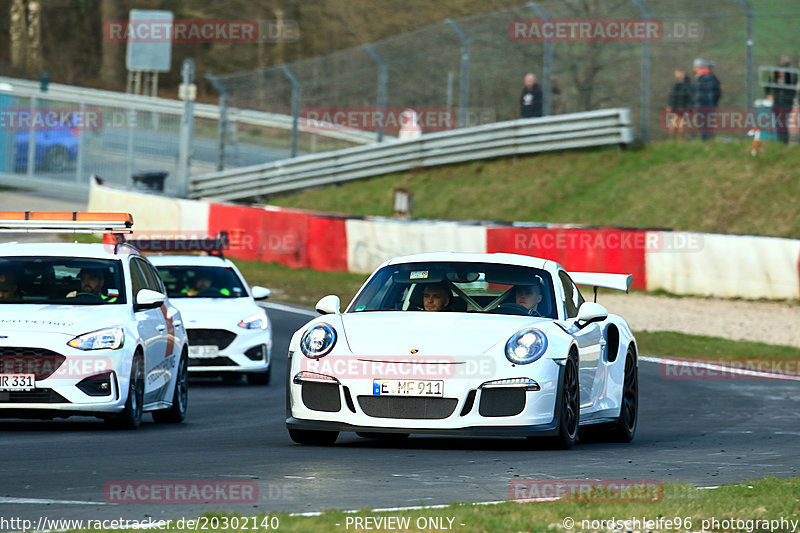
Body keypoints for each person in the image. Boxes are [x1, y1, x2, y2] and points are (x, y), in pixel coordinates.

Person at [765, 55, 798, 144]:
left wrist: (768, 94)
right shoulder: (781, 73)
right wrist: (768, 94)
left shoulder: (790, 74)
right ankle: (783, 142)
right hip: (781, 102)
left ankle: (783, 142)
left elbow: (793, 88)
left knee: (781, 123)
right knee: (781, 122)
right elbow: (769, 84)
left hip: (783, 102)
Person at [691, 58, 721, 141]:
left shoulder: (704, 78)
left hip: (704, 105)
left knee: (704, 124)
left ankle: (706, 141)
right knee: (705, 124)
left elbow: (709, 93)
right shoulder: (707, 77)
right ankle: (707, 140)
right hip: (706, 104)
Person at [667, 69, 693, 140]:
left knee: (681, 127)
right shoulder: (676, 84)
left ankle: (681, 143)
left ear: (682, 73)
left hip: (683, 110)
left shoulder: (688, 85)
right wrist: (670, 105)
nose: (675, 74)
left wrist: (689, 109)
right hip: (674, 109)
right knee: (672, 127)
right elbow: (672, 96)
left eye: (677, 72)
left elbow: (691, 98)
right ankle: (672, 143)